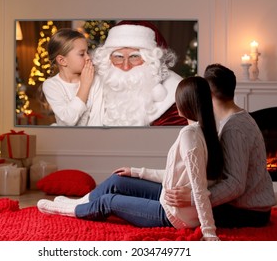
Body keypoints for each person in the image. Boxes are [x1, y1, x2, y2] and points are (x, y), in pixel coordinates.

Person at [37, 76, 224, 241]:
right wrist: (136, 172)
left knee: (108, 201)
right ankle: (77, 203)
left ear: (186, 102)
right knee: (119, 179)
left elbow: (199, 189)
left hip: (174, 216)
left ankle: (65, 210)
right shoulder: (204, 132)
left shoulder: (189, 135)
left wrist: (209, 232)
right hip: (171, 201)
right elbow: (176, 174)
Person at [166, 64, 277, 228]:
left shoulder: (234, 128)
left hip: (249, 212)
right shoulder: (236, 119)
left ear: (208, 93)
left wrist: (192, 198)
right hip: (249, 207)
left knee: (179, 211)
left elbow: (235, 185)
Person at [92, 21, 188, 126]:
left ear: (150, 60)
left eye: (134, 56)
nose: (126, 66)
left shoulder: (176, 96)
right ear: (108, 59)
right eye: (118, 57)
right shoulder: (97, 88)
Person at [39, 28, 103, 126]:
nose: (88, 57)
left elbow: (97, 120)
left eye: (87, 52)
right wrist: (85, 86)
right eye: (82, 54)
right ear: (62, 60)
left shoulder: (96, 79)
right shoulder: (51, 85)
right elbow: (68, 121)